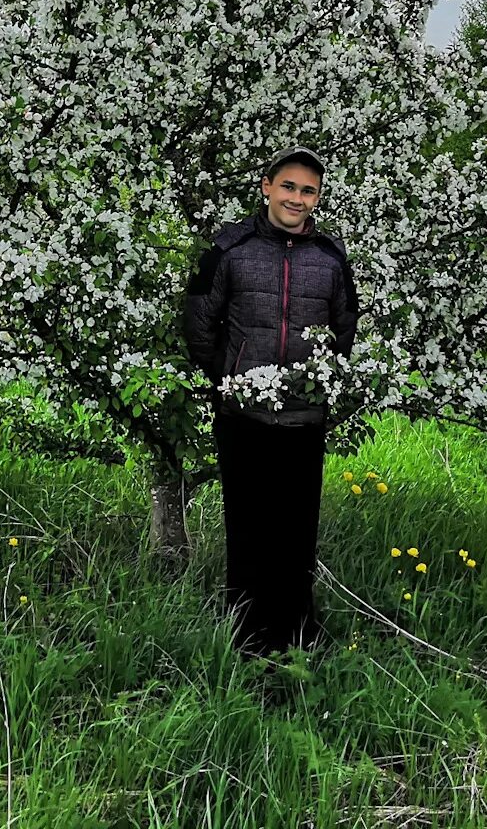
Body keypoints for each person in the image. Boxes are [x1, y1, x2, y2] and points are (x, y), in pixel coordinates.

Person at [183, 147, 359, 654]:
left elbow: (344, 328)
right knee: (248, 523)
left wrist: (316, 383)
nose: (297, 199)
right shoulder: (229, 247)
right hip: (244, 414)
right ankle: (247, 632)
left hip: (304, 416)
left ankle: (298, 627)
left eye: (308, 191)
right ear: (266, 187)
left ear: (317, 197)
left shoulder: (329, 256)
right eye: (289, 187)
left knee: (298, 525)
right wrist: (230, 378)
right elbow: (199, 323)